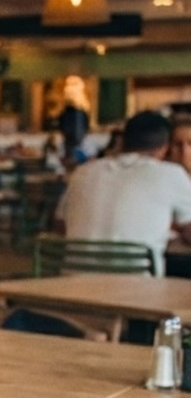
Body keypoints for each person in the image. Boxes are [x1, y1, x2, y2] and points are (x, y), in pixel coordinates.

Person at [58, 110, 191, 277]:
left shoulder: (83, 172)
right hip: (137, 290)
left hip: (71, 285)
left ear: (122, 141)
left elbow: (61, 225)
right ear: (165, 148)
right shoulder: (171, 174)